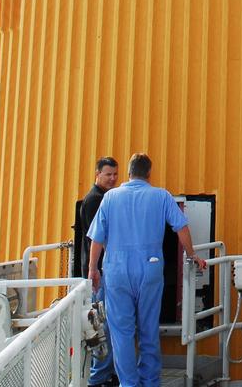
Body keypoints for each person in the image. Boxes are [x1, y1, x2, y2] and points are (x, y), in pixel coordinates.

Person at [87, 153, 206, 387]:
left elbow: (97, 239)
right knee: (148, 328)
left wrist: (93, 269)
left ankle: (129, 383)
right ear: (148, 174)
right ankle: (150, 381)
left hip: (117, 270)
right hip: (150, 268)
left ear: (129, 173)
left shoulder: (110, 198)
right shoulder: (161, 196)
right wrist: (192, 254)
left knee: (121, 332)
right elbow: (181, 227)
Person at [80, 157, 119, 387]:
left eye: (115, 174)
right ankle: (98, 378)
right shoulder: (96, 200)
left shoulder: (104, 198)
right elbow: (100, 238)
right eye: (108, 175)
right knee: (102, 325)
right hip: (102, 274)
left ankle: (106, 373)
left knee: (107, 323)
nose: (113, 178)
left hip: (104, 271)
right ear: (97, 174)